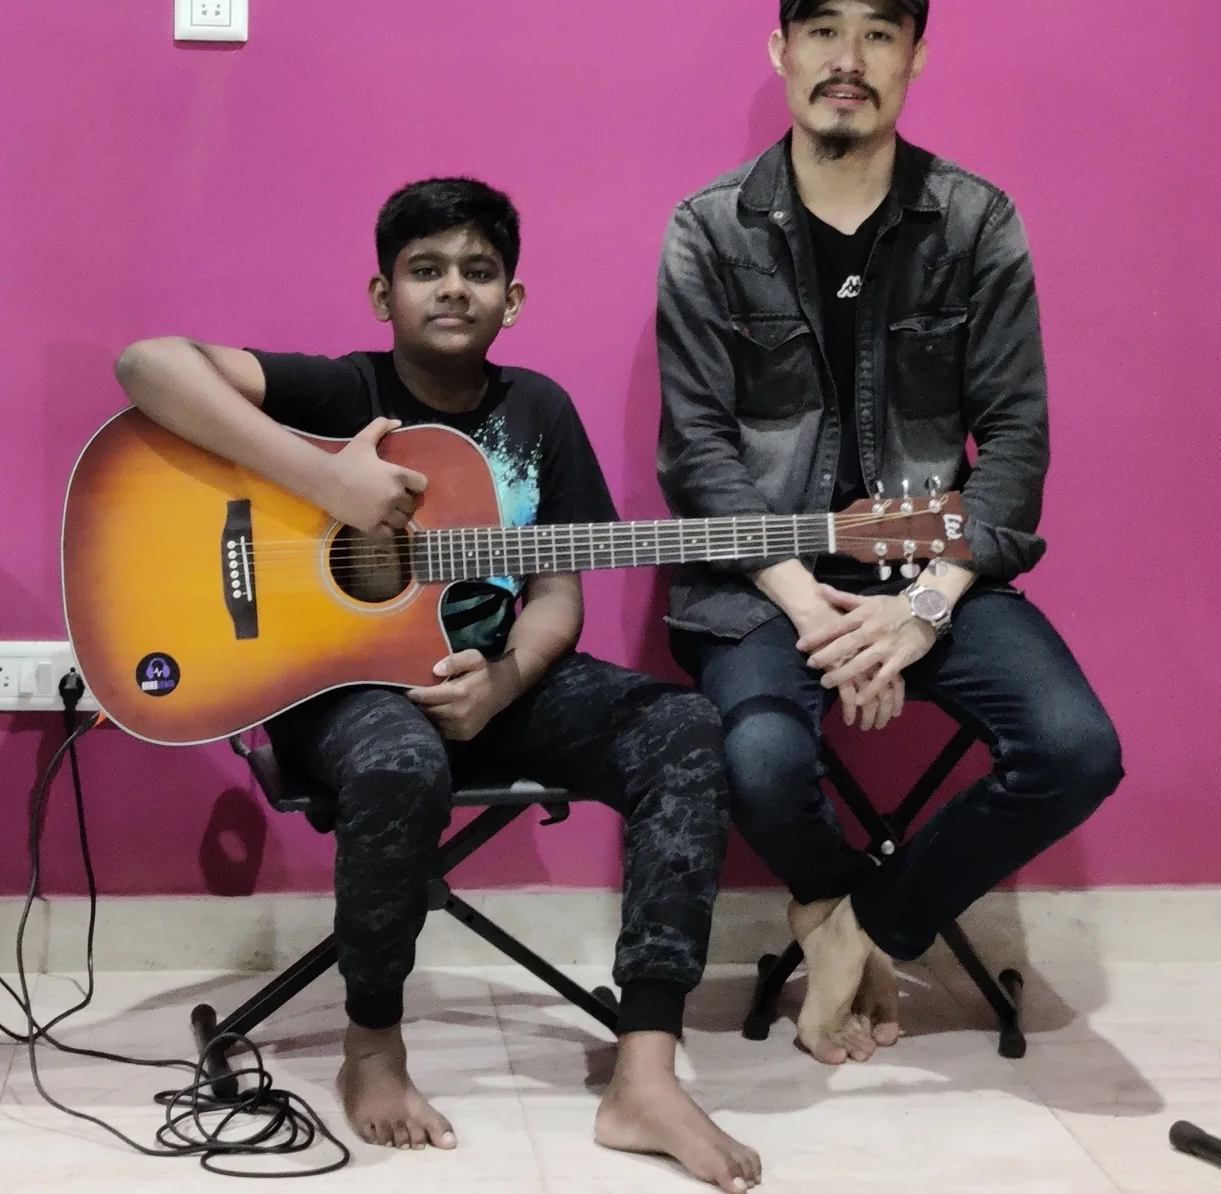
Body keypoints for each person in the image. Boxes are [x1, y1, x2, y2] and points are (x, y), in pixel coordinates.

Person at [117, 178, 760, 1190]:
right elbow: (146, 365)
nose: (453, 287)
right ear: (384, 295)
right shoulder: (343, 393)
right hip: (344, 691)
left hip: (492, 678)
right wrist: (328, 481)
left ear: (514, 298)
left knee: (681, 725)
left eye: (478, 270)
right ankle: (372, 1046)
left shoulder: (539, 411)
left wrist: (506, 680)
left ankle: (644, 1072)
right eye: (426, 270)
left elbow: (558, 591)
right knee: (401, 761)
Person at [656, 0, 1123, 1067]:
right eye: (823, 30)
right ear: (780, 51)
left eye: (878, 33)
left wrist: (920, 609)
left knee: (1077, 750)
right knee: (758, 761)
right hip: (763, 584)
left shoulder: (976, 222)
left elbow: (1015, 439)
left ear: (915, 57)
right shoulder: (709, 228)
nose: (848, 58)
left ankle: (862, 928)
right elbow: (698, 452)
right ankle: (827, 906)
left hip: (935, 571)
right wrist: (811, 611)